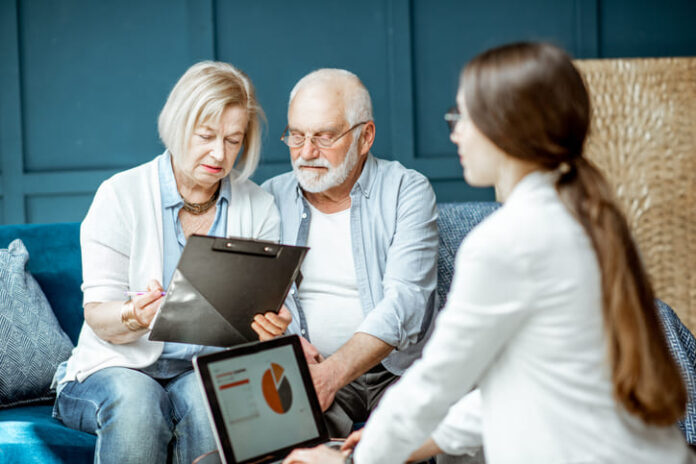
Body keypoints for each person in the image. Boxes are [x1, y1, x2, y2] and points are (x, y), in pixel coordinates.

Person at [283, 42, 693, 463]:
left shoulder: (506, 242)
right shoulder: (579, 216)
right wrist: (399, 447)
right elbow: (513, 385)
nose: (455, 131)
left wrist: (353, 461)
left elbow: (438, 380)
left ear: (508, 127)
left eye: (463, 116)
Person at [51, 61, 280, 464]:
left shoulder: (258, 206)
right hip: (116, 367)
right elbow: (99, 315)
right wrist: (133, 317)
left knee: (212, 402)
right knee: (139, 403)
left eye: (233, 140)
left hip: (203, 369)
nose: (219, 153)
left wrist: (276, 323)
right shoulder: (120, 195)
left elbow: (277, 306)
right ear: (177, 125)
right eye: (206, 136)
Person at [255, 68, 439, 437]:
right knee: (273, 441)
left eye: (324, 136)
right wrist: (278, 338)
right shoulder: (269, 197)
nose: (306, 152)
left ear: (365, 136)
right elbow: (254, 299)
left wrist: (331, 375)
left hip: (398, 371)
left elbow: (407, 301)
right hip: (304, 368)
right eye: (296, 135)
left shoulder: (407, 190)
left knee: (422, 434)